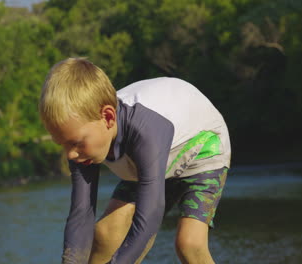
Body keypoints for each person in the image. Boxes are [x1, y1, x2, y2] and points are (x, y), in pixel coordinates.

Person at [39, 57, 231, 264]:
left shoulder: (144, 131)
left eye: (75, 143)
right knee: (105, 234)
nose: (70, 155)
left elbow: (149, 215)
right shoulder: (81, 141)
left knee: (189, 244)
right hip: (148, 163)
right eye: (63, 145)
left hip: (203, 151)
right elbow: (81, 214)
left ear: (108, 118)